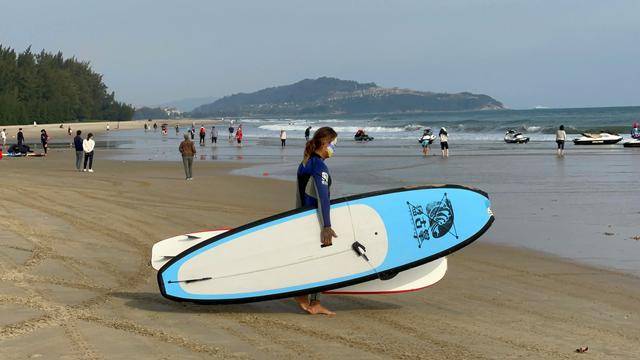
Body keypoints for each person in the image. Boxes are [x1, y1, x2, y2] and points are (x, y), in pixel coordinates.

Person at [294, 127, 338, 316]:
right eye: (333, 143)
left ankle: (307, 298)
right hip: (314, 219)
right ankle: (312, 301)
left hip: (301, 216)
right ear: (324, 143)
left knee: (310, 259)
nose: (333, 148)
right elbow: (323, 198)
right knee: (322, 260)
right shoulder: (319, 166)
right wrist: (326, 226)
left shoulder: (305, 162)